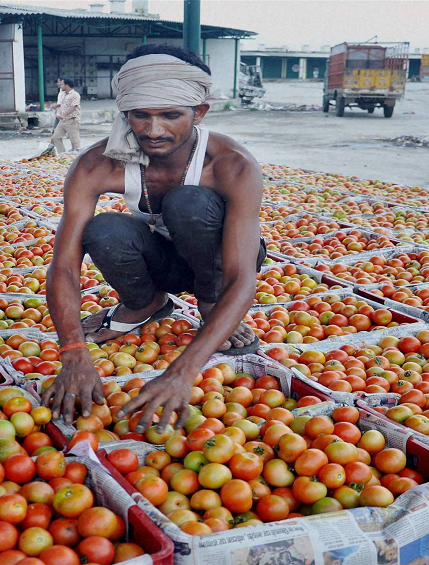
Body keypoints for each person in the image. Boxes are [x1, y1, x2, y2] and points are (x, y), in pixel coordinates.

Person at [40, 44, 265, 432]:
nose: (153, 130)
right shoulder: (97, 164)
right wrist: (73, 351)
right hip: (167, 261)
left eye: (170, 115)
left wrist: (183, 370)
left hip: (217, 260)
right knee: (105, 229)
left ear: (199, 113)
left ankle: (212, 306)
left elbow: (242, 276)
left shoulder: (231, 165)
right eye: (140, 115)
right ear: (125, 113)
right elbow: (63, 265)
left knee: (188, 203)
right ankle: (147, 303)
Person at [50, 77, 81, 153]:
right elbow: (61, 104)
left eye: (62, 84)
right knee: (55, 137)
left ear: (67, 85)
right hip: (62, 120)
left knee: (74, 140)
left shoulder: (75, 95)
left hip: (72, 120)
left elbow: (74, 106)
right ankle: (62, 153)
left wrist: (64, 115)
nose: (60, 86)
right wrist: (56, 106)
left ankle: (76, 156)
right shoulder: (63, 94)